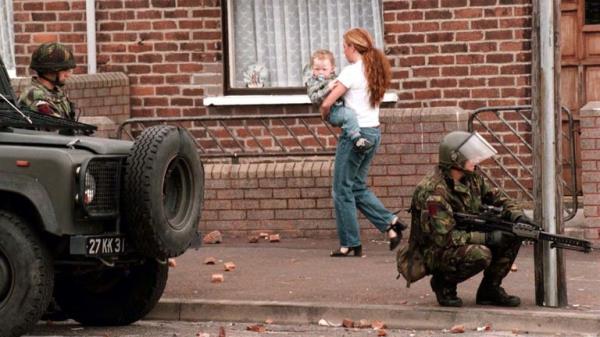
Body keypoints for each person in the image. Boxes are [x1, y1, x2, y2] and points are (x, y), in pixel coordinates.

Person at [407, 130, 531, 307]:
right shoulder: (433, 193)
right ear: (455, 159)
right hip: (434, 251)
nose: (475, 159)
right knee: (480, 254)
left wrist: (517, 215)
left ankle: (490, 290)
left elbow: (499, 197)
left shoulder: (471, 178)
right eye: (470, 155)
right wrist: (487, 238)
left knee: (511, 234)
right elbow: (444, 238)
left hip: (462, 238)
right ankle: (443, 284)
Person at [319, 28, 405, 257]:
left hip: (355, 136)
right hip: (374, 132)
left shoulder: (351, 72)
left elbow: (328, 102)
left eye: (345, 46)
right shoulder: (374, 69)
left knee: (341, 189)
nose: (344, 50)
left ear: (353, 47)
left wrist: (324, 113)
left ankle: (350, 244)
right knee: (356, 186)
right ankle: (391, 222)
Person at [306, 49, 373, 152]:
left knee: (350, 115)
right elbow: (314, 98)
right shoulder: (311, 83)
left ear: (332, 69)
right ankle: (357, 140)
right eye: (317, 69)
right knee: (349, 114)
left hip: (340, 108)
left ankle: (355, 137)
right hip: (332, 111)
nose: (320, 72)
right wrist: (327, 88)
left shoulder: (336, 78)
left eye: (324, 69)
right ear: (312, 69)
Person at [18, 42, 76, 120]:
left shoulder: (55, 91)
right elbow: (58, 128)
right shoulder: (36, 97)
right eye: (65, 70)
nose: (68, 75)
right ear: (51, 70)